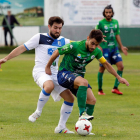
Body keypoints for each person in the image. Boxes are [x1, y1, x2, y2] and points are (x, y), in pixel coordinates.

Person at [0, 16, 75, 134]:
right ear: (49, 26)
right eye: (55, 28)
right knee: (49, 86)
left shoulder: (63, 40)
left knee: (70, 98)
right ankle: (37, 112)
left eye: (60, 28)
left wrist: (96, 39)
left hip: (55, 73)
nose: (58, 31)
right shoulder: (39, 37)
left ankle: (61, 127)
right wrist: (5, 58)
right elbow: (21, 48)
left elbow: (79, 44)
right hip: (40, 71)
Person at [45, 29, 129, 122]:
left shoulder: (96, 51)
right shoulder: (75, 46)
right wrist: (48, 66)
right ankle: (82, 114)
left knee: (92, 100)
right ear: (88, 38)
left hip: (77, 78)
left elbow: (106, 64)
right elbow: (57, 51)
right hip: (64, 74)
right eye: (92, 43)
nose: (93, 47)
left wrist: (118, 77)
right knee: (83, 82)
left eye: (96, 44)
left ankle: (84, 126)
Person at [95, 5, 128, 95]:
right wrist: (98, 46)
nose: (108, 14)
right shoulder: (101, 23)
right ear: (104, 13)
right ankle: (100, 90)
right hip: (104, 49)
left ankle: (115, 88)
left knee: (121, 66)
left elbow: (117, 35)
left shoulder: (115, 22)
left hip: (114, 48)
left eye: (110, 12)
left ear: (112, 13)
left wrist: (121, 46)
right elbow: (95, 34)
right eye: (107, 12)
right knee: (102, 69)